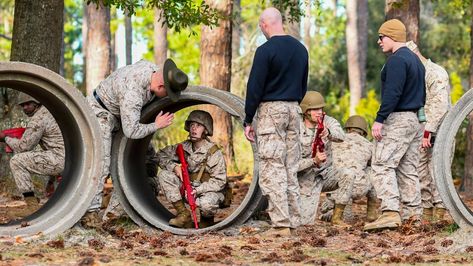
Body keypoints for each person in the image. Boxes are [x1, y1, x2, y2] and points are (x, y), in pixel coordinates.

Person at [82, 59, 188, 228]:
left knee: (147, 159)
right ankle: (90, 213)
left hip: (122, 115)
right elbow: (131, 131)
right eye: (168, 93)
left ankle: (117, 211)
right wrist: (156, 125)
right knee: (102, 163)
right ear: (161, 86)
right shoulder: (133, 92)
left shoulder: (153, 71)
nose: (167, 97)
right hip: (101, 113)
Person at [243, 7, 308, 236]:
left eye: (261, 26)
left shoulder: (265, 50)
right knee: (291, 167)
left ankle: (280, 225)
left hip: (272, 111)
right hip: (294, 109)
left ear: (264, 24)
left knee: (273, 167)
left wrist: (248, 118)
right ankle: (295, 221)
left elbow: (255, 87)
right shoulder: (301, 49)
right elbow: (303, 85)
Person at [364, 19, 425, 231]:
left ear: (392, 37)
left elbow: (393, 93)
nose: (379, 41)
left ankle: (390, 213)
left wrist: (380, 119)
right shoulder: (415, 60)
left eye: (381, 37)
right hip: (414, 120)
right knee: (408, 169)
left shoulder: (397, 60)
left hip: (398, 119)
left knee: (381, 164)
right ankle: (413, 216)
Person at [157, 110, 227, 228]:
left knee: (207, 204)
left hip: (207, 191)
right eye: (192, 125)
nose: (194, 129)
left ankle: (206, 220)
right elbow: (159, 155)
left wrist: (198, 190)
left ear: (206, 129)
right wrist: (174, 167)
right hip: (186, 189)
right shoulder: (183, 147)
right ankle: (184, 215)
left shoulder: (214, 152)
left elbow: (220, 181)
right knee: (164, 175)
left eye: (198, 126)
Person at [406, 41, 451, 222]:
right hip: (421, 130)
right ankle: (427, 214)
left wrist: (428, 131)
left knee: (437, 172)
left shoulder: (436, 72)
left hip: (440, 131)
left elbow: (440, 105)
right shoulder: (415, 74)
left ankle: (439, 217)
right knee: (420, 171)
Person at [0, 93, 65, 218]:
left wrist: (5, 138)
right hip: (66, 157)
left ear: (36, 103)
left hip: (59, 159)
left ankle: (32, 206)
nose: (25, 108)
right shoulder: (48, 112)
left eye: (28, 104)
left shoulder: (38, 119)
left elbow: (23, 147)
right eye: (22, 105)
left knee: (17, 161)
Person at [297, 91, 345, 226]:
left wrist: (328, 133)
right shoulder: (295, 128)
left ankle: (337, 217)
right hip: (304, 178)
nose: (319, 112)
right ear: (306, 111)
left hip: (325, 174)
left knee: (348, 175)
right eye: (315, 109)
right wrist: (313, 161)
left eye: (321, 108)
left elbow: (341, 136)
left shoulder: (327, 120)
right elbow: (292, 165)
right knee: (304, 223)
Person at [319, 115, 377, 225]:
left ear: (348, 129)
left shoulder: (335, 139)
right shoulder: (369, 145)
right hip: (358, 188)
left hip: (336, 186)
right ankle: (371, 213)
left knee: (338, 173)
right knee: (372, 170)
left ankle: (332, 208)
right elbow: (373, 164)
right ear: (364, 132)